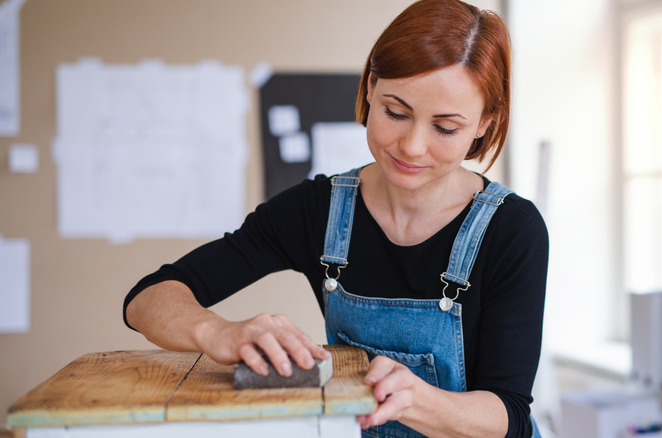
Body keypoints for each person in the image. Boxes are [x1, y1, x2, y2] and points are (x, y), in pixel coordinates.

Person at [123, 0, 548, 436]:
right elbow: (146, 300)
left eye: (445, 128)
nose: (412, 146)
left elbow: (510, 416)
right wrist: (217, 333)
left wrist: (420, 401)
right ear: (370, 88)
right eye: (395, 113)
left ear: (484, 123)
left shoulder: (512, 230)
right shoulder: (318, 210)